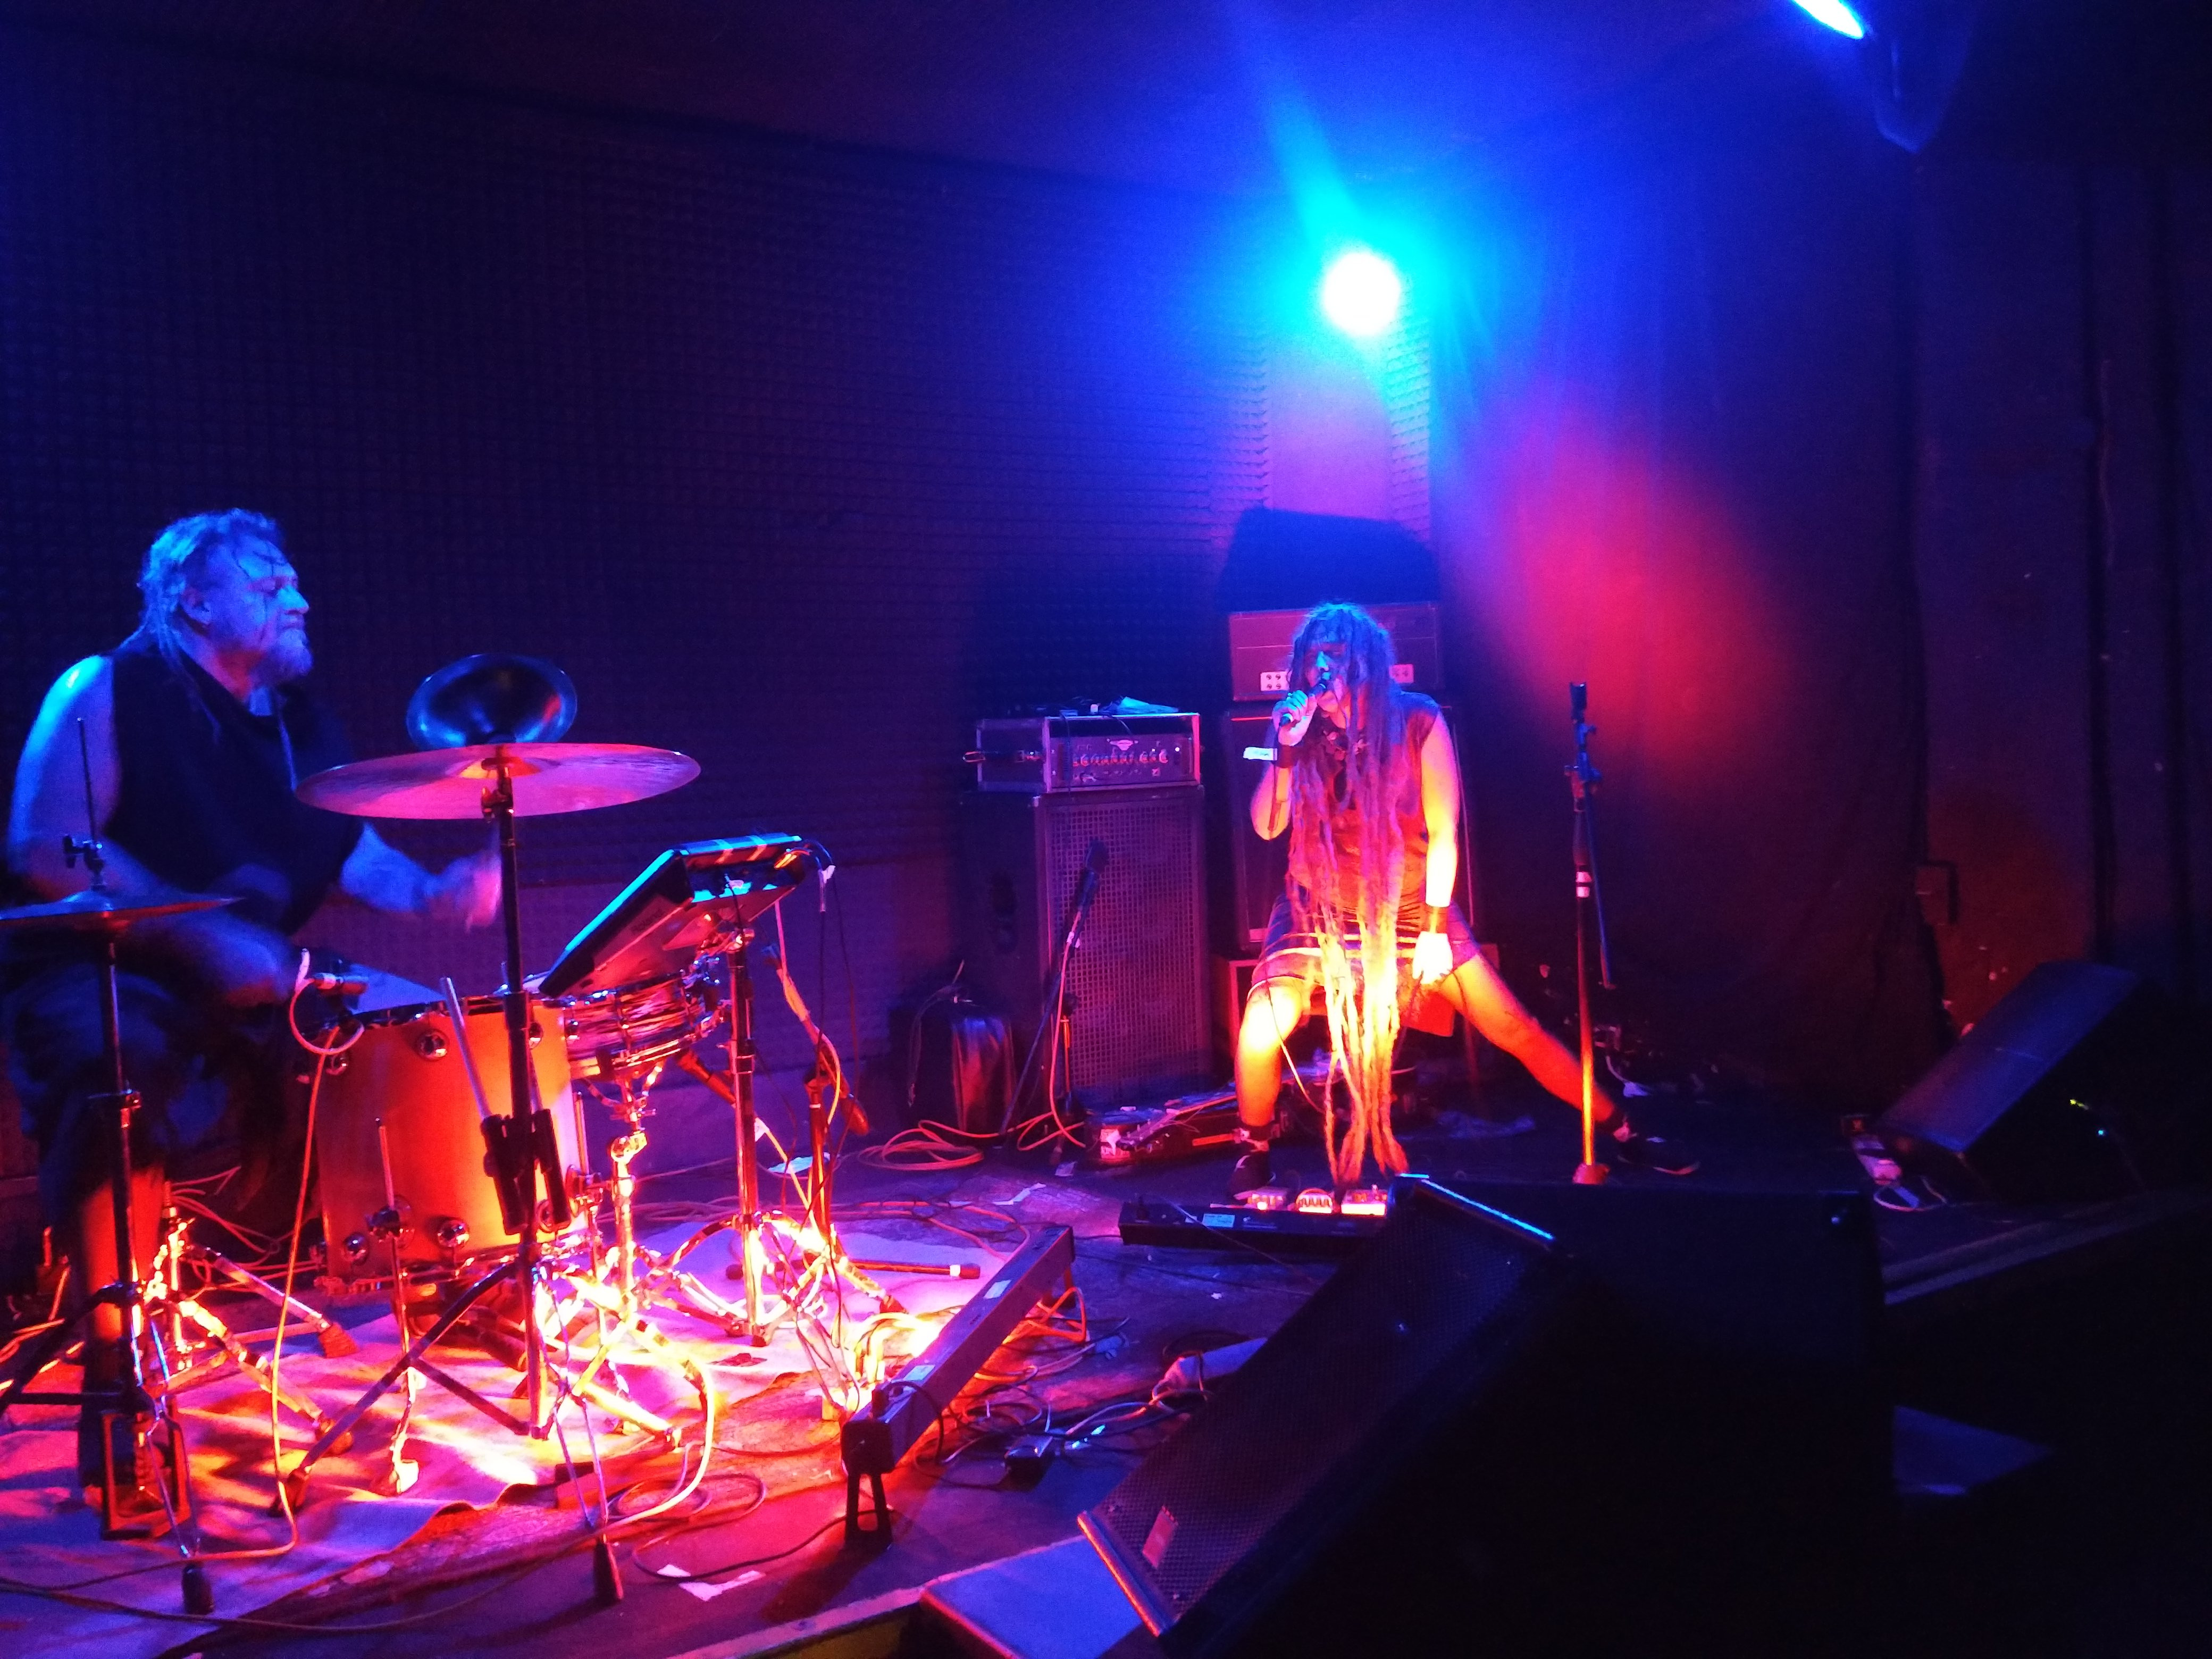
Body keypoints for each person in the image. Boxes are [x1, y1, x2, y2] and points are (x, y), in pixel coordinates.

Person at [2, 510, 497, 1476]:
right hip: (105, 969)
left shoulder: (301, 725)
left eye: (294, 582)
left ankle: (463, 1289)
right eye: (269, 584)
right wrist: (197, 932)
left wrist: (433, 893)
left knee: (432, 1037)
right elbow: (45, 845)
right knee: (116, 1066)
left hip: (256, 969)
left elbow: (347, 848)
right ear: (194, 601)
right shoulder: (106, 688)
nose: (299, 597)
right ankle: (115, 1371)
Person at [1230, 601, 1696, 1194]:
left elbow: (1444, 830)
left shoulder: (1417, 720)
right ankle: (1252, 1146)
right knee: (1261, 1024)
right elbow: (1267, 825)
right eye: (1311, 661)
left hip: (1407, 903)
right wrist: (1285, 749)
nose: (1321, 672)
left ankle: (1624, 1130)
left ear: (1365, 662)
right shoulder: (1299, 734)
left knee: (1514, 1026)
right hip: (1316, 905)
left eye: (1335, 658)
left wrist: (1431, 928)